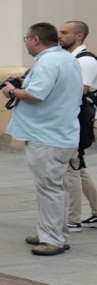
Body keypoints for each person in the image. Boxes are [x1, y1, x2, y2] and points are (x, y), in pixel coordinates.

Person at [4, 22, 82, 256]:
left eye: (27, 39)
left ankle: (53, 239)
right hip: (61, 132)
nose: (26, 43)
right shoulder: (66, 59)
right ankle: (51, 232)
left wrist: (11, 91)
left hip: (47, 135)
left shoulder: (48, 62)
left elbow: (35, 94)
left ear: (36, 39)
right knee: (56, 187)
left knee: (50, 189)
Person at [59, 21, 97, 229]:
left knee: (71, 167)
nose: (60, 36)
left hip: (79, 119)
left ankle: (73, 219)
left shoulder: (85, 61)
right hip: (74, 117)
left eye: (65, 33)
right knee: (79, 167)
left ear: (79, 36)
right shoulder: (71, 58)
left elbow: (79, 91)